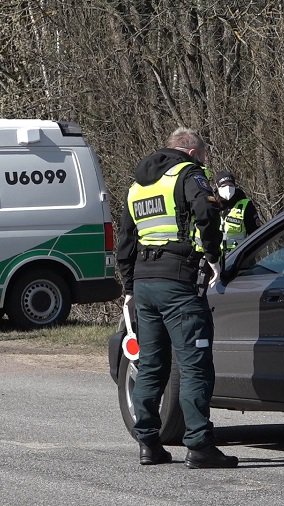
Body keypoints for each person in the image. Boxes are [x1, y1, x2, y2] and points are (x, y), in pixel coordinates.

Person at [116, 127, 238, 469]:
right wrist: (214, 256)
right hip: (179, 282)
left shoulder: (138, 186)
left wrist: (128, 286)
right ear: (193, 151)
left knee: (152, 366)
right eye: (204, 157)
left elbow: (126, 239)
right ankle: (199, 444)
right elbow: (205, 211)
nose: (206, 163)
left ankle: (148, 443)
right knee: (194, 365)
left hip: (144, 284)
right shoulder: (188, 174)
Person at [213, 170, 262, 251]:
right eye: (224, 185)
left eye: (231, 185)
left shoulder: (245, 205)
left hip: (239, 255)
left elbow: (255, 233)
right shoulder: (212, 205)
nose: (228, 188)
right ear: (217, 187)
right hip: (216, 256)